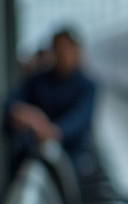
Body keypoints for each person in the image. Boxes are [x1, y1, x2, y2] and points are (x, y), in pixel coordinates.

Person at [6, 28, 98, 176]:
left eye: (67, 49)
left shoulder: (87, 86)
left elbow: (79, 119)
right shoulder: (39, 80)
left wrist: (52, 131)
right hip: (38, 148)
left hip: (73, 153)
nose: (63, 55)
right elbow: (11, 100)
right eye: (59, 49)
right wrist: (22, 111)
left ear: (76, 51)